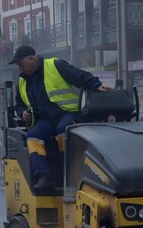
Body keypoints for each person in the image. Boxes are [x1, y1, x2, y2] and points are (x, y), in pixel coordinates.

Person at [9, 44, 110, 193]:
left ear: (31, 58)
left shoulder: (55, 65)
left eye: (20, 63)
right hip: (45, 120)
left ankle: (68, 172)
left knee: (63, 131)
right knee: (32, 136)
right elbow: (18, 104)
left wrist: (96, 86)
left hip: (66, 113)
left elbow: (79, 76)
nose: (19, 67)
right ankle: (44, 177)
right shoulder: (22, 81)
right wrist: (22, 112)